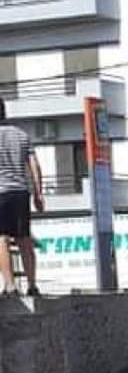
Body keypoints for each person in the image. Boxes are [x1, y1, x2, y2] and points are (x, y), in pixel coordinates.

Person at [0, 99, 43, 297]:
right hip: (20, 192)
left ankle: (10, 286)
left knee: (2, 239)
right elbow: (34, 165)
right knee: (24, 238)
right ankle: (32, 285)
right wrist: (38, 193)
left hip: (1, 192)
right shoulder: (21, 135)